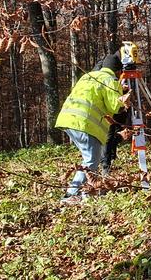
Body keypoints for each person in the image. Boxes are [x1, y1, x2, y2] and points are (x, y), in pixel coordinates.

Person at [55, 53, 127, 205]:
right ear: (118, 71)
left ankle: (85, 190)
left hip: (68, 119)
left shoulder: (89, 76)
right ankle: (71, 194)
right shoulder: (111, 80)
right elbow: (115, 106)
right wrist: (125, 96)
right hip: (85, 124)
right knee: (91, 160)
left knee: (88, 158)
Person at [91, 52, 127, 176]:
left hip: (96, 113)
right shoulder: (109, 77)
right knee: (107, 136)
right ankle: (105, 167)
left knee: (112, 134)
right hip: (101, 114)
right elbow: (116, 106)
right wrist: (124, 96)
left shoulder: (98, 73)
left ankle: (109, 158)